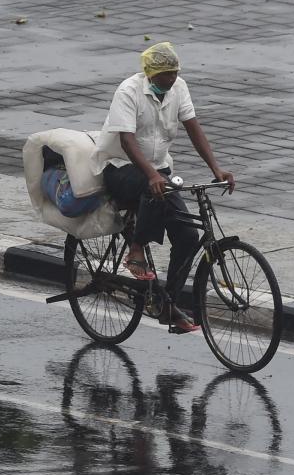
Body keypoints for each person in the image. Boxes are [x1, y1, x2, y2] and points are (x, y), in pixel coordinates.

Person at [93, 42, 235, 333]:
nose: (171, 79)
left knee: (187, 235)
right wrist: (152, 175)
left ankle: (166, 304)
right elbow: (126, 141)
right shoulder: (129, 91)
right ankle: (136, 248)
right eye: (166, 74)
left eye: (174, 72)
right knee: (153, 186)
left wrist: (216, 168)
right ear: (150, 74)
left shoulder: (179, 88)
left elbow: (194, 127)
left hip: (159, 171)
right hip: (119, 168)